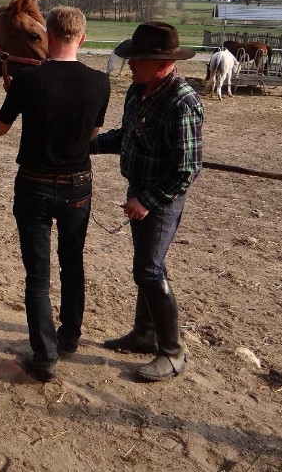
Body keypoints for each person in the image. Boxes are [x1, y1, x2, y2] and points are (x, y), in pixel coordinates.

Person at [0, 5, 110, 383]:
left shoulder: (29, 80)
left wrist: (16, 95)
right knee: (72, 261)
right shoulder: (99, 83)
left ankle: (44, 356)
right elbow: (93, 135)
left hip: (34, 184)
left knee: (38, 275)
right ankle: (70, 336)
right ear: (82, 38)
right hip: (78, 184)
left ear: (50, 37)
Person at [91, 21, 203, 381]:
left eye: (137, 60)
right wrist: (86, 145)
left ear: (162, 63)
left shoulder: (182, 102)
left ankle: (172, 352)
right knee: (147, 265)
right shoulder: (138, 91)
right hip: (139, 190)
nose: (130, 65)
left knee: (150, 269)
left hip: (162, 198)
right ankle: (144, 333)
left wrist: (148, 200)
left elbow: (186, 169)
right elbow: (127, 135)